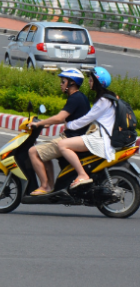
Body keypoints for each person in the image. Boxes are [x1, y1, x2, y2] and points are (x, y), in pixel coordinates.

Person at [27, 67, 91, 195]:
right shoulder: (81, 97)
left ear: (71, 83)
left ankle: (45, 186)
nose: (61, 84)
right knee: (43, 151)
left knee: (33, 151)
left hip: (69, 138)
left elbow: (60, 117)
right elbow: (71, 117)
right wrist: (46, 124)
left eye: (63, 81)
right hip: (76, 137)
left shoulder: (74, 98)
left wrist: (39, 123)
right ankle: (50, 185)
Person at [54, 67, 119, 188]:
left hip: (100, 138)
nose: (89, 82)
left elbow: (86, 119)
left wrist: (69, 125)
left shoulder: (103, 100)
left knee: (62, 145)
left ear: (98, 81)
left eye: (91, 79)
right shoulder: (110, 97)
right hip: (103, 136)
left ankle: (82, 174)